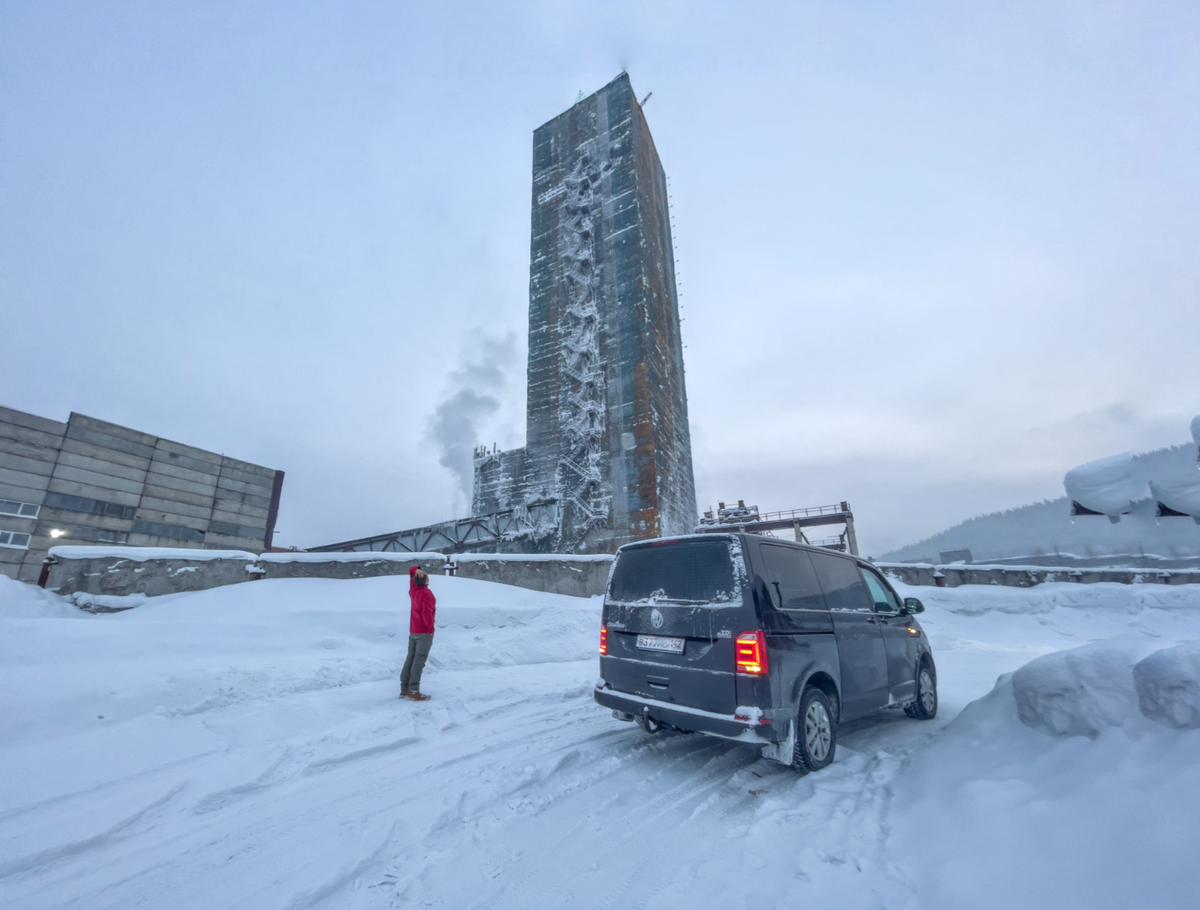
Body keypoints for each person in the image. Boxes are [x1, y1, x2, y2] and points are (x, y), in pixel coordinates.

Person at [400, 565, 436, 700]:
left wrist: (416, 570)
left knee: (410, 658)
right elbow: (427, 614)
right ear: (426, 580)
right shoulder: (427, 594)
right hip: (423, 632)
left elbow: (411, 572)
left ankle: (404, 688)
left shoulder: (413, 590)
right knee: (418, 660)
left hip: (413, 630)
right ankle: (414, 690)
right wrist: (430, 630)